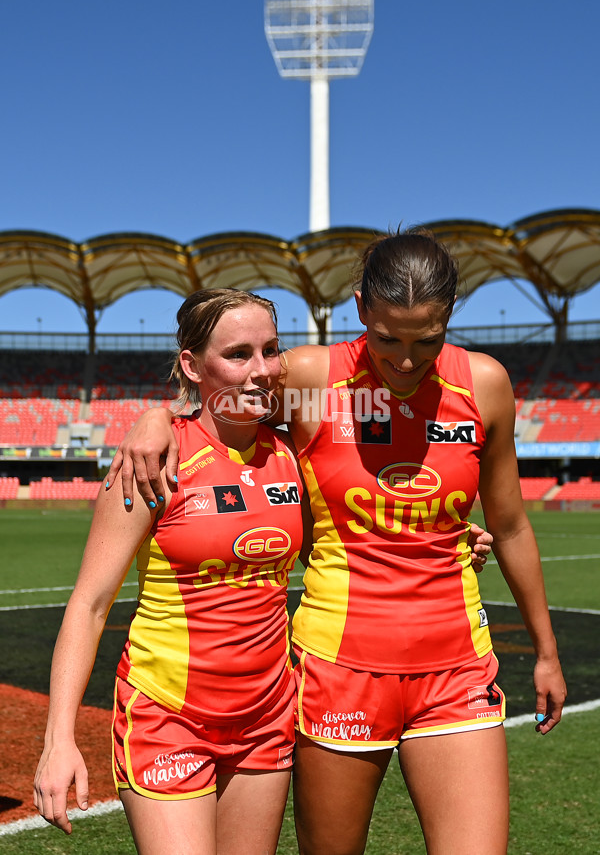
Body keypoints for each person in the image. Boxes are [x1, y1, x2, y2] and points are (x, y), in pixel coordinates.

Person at [105, 228, 562, 855]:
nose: (405, 359)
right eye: (387, 338)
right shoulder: (308, 376)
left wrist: (545, 651)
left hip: (457, 663)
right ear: (359, 310)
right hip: (338, 667)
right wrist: (155, 416)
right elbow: (221, 394)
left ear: (450, 318)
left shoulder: (484, 384)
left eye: (427, 340)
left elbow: (509, 524)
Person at [34, 288, 314, 855]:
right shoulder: (153, 462)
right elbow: (89, 606)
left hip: (266, 718)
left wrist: (456, 541)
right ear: (191, 364)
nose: (261, 370)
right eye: (238, 354)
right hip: (169, 714)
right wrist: (58, 739)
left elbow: (340, 550)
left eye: (271, 350)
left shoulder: (293, 454)